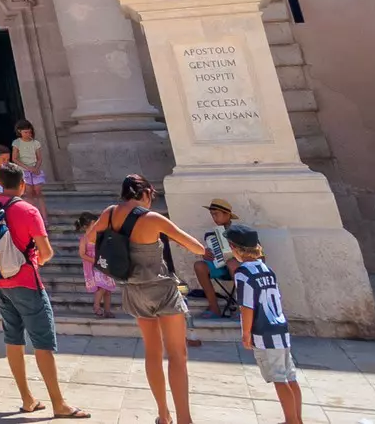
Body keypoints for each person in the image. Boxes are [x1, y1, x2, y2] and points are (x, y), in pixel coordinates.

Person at [84, 175, 212, 424]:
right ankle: (184, 419)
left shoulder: (109, 213)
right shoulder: (151, 218)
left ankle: (163, 415)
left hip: (133, 290)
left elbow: (90, 239)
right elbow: (192, 245)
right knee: (177, 355)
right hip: (161, 289)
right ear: (145, 193)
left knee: (152, 352)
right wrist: (205, 251)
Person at [0, 164, 86, 417]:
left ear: (0, 183)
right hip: (26, 282)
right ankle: (59, 404)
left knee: (13, 340)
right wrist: (37, 259)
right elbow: (45, 253)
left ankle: (27, 399)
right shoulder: (27, 209)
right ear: (22, 184)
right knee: (43, 343)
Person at [229, 223, 301, 424]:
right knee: (290, 376)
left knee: (279, 378)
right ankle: (297, 418)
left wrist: (246, 333)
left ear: (236, 248)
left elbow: (247, 305)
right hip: (280, 328)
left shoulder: (243, 273)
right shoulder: (267, 269)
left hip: (264, 331)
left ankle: (291, 420)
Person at [194, 199, 237, 318]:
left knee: (232, 263)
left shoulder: (240, 232)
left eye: (216, 214)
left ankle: (243, 309)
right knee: (199, 266)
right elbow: (211, 255)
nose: (214, 218)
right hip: (220, 267)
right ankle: (214, 308)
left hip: (237, 269)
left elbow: (256, 253)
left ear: (227, 215)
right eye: (212, 214)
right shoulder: (211, 235)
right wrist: (205, 253)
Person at [75, 211, 119, 318]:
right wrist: (94, 260)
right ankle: (96, 306)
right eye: (94, 223)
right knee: (101, 287)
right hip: (94, 265)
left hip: (103, 264)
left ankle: (107, 310)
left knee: (107, 289)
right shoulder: (84, 239)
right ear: (87, 226)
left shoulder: (100, 235)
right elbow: (82, 254)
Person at [12, 122, 47, 209]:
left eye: (29, 132)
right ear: (20, 131)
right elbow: (15, 158)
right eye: (25, 132)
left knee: (38, 192)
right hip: (24, 171)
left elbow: (39, 158)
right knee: (29, 193)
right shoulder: (17, 143)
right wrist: (27, 168)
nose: (28, 134)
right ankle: (32, 213)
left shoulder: (35, 143)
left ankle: (44, 216)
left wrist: (36, 168)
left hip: (35, 170)